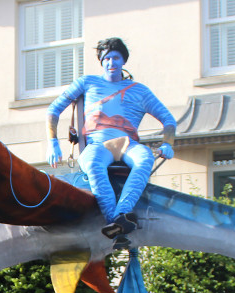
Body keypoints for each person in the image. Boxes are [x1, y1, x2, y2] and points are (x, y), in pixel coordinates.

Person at [46, 36, 176, 250]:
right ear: (101, 61)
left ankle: (116, 220)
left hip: (128, 145)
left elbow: (168, 120)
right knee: (93, 165)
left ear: (123, 60)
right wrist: (53, 141)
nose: (111, 62)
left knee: (144, 159)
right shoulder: (87, 82)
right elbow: (54, 109)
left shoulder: (140, 90)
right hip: (97, 145)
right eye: (106, 58)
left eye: (115, 57)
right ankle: (119, 222)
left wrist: (167, 143)